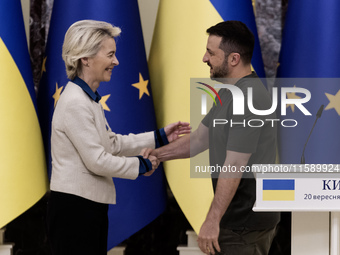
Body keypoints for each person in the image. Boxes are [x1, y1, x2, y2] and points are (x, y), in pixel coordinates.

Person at [46, 20, 190, 255]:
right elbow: (97, 160)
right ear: (86, 58)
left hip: (86, 208)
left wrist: (159, 137)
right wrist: (142, 165)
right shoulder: (75, 102)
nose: (116, 61)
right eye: (110, 54)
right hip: (74, 211)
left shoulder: (87, 98)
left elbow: (112, 144)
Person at [144, 20, 280, 255]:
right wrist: (156, 155)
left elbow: (235, 164)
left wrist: (212, 219)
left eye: (210, 53)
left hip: (243, 224)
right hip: (237, 221)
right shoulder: (231, 93)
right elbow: (198, 140)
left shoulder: (248, 99)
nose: (204, 58)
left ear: (234, 59)